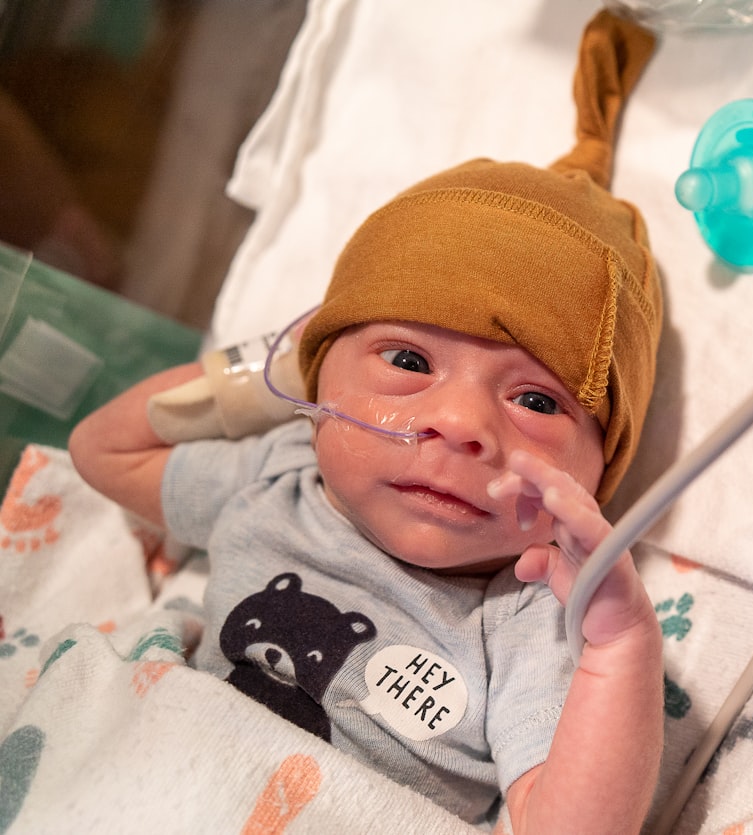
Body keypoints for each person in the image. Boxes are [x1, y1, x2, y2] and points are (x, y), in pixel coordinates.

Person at [69, 10, 663, 833]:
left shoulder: (529, 612)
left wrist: (623, 646)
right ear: (315, 377)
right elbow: (100, 450)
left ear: (600, 471)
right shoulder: (280, 478)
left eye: (535, 400)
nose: (459, 424)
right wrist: (263, 371)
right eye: (410, 362)